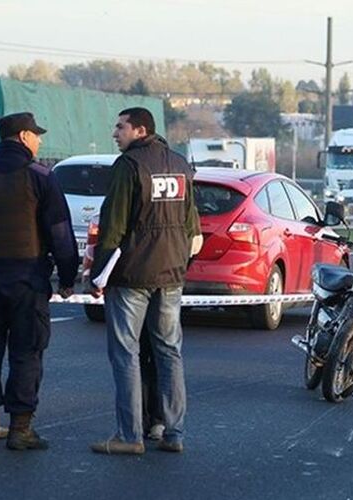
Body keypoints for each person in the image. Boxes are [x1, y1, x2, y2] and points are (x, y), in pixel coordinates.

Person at [89, 108, 201, 455]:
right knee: (170, 353)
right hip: (170, 274)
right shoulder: (180, 164)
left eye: (120, 127)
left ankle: (129, 436)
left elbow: (114, 226)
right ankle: (174, 433)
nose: (114, 133)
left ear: (140, 130)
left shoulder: (129, 166)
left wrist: (99, 275)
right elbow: (190, 224)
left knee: (125, 354)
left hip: (133, 275)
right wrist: (180, 261)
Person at [0, 112, 78, 450]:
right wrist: (68, 278)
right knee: (27, 351)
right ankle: (20, 428)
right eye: (36, 135)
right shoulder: (41, 176)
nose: (39, 140)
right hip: (27, 279)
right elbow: (60, 233)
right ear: (24, 136)